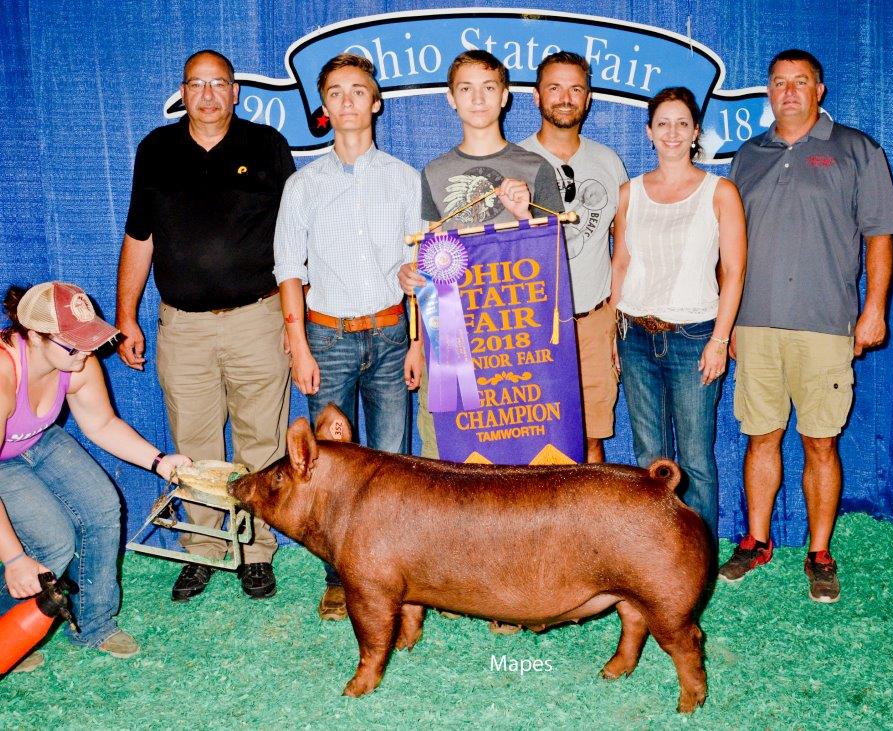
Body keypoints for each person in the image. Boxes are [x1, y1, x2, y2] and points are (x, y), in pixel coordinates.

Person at [717, 50, 893, 603]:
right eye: (780, 82)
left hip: (825, 324)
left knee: (820, 442)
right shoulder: (748, 156)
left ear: (819, 91)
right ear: (768, 92)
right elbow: (729, 246)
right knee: (760, 436)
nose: (790, 91)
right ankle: (756, 541)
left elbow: (879, 236)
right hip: (755, 323)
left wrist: (874, 309)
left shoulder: (857, 150)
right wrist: (727, 320)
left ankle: (819, 552)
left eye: (801, 82)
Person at [116, 49, 295, 602]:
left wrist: (295, 320)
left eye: (219, 83)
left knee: (262, 440)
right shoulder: (156, 150)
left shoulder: (267, 146)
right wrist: (125, 316)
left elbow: (295, 238)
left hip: (258, 319)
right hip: (183, 327)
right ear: (183, 92)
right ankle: (203, 547)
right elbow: (139, 237)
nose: (209, 94)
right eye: (197, 84)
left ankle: (256, 548)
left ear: (236, 92)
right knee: (192, 443)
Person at [273, 53, 422, 621]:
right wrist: (299, 344)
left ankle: (395, 576)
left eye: (358, 90)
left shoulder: (404, 179)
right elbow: (289, 268)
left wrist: (417, 341)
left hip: (390, 334)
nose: (348, 101)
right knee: (329, 467)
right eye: (335, 92)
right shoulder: (302, 185)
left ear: (375, 102)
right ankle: (338, 577)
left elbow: (419, 265)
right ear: (324, 108)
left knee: (391, 463)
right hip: (327, 337)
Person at [0, 282, 190, 672]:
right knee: (52, 544)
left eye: (88, 340)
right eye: (73, 345)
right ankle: (6, 634)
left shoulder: (78, 363)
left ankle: (94, 624)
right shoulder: (4, 374)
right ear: (33, 335)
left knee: (101, 507)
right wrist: (15, 558)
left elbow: (101, 424)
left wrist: (160, 461)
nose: (86, 352)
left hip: (35, 438)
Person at [399, 50, 563, 461]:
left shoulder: (535, 168)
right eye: (466, 89)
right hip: (452, 336)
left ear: (505, 96)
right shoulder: (433, 172)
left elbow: (556, 260)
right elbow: (430, 255)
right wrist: (413, 281)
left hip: (517, 331)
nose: (477, 99)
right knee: (449, 453)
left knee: (522, 446)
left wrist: (525, 215)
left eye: (489, 88)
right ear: (451, 98)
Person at [609, 87, 747, 540]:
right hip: (634, 335)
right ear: (649, 132)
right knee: (649, 457)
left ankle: (698, 557)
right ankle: (657, 555)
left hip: (694, 337)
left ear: (695, 132)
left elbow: (734, 270)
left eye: (682, 124)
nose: (672, 132)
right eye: (663, 123)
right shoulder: (629, 193)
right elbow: (620, 263)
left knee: (695, 458)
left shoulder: (720, 192)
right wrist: (612, 332)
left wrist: (719, 340)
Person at [518, 51, 628, 464]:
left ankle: (591, 511)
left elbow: (625, 247)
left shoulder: (608, 162)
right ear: (536, 96)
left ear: (588, 98)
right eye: (555, 88)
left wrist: (613, 316)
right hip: (530, 326)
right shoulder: (513, 162)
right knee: (533, 443)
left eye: (575, 89)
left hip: (591, 322)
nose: (565, 98)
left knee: (590, 440)